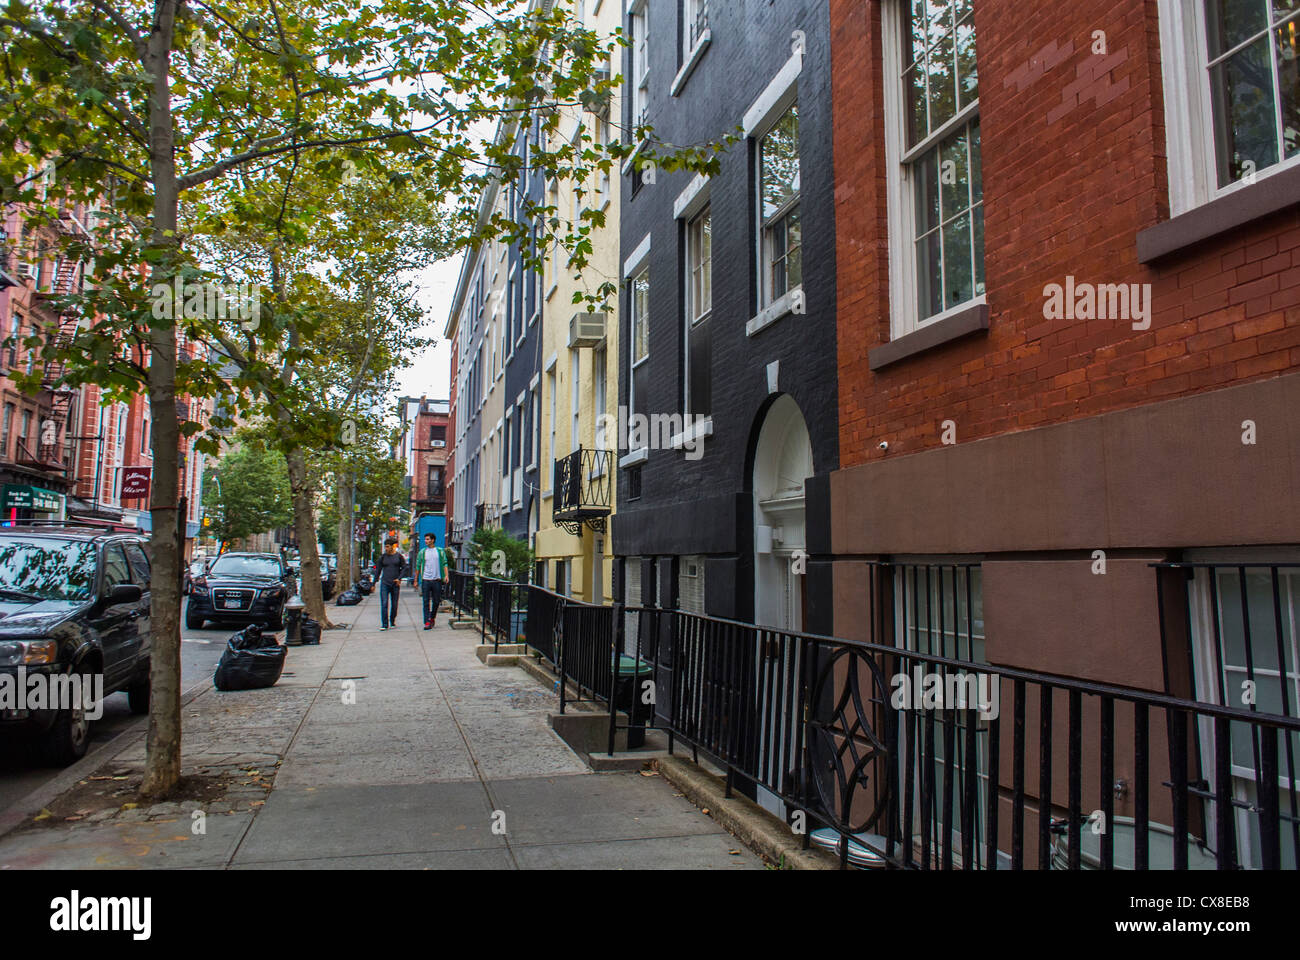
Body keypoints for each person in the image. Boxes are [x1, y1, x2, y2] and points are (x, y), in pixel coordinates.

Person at [371, 537, 408, 631]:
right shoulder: (383, 557)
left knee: (394, 604)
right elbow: (378, 570)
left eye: (387, 547)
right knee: (384, 603)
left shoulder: (399, 557)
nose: (386, 549)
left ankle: (392, 620)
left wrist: (399, 578)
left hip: (395, 583)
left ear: (392, 546)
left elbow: (404, 568)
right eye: (385, 547)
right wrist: (373, 583)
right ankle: (384, 623)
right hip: (385, 583)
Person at [414, 532, 446, 629]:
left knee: (436, 601)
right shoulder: (423, 552)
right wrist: (416, 579)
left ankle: (432, 617)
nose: (426, 541)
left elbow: (445, 563)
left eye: (428, 539)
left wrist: (446, 575)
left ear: (433, 540)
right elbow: (418, 566)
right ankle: (427, 622)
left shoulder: (439, 551)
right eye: (425, 539)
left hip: (437, 579)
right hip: (426, 580)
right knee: (425, 601)